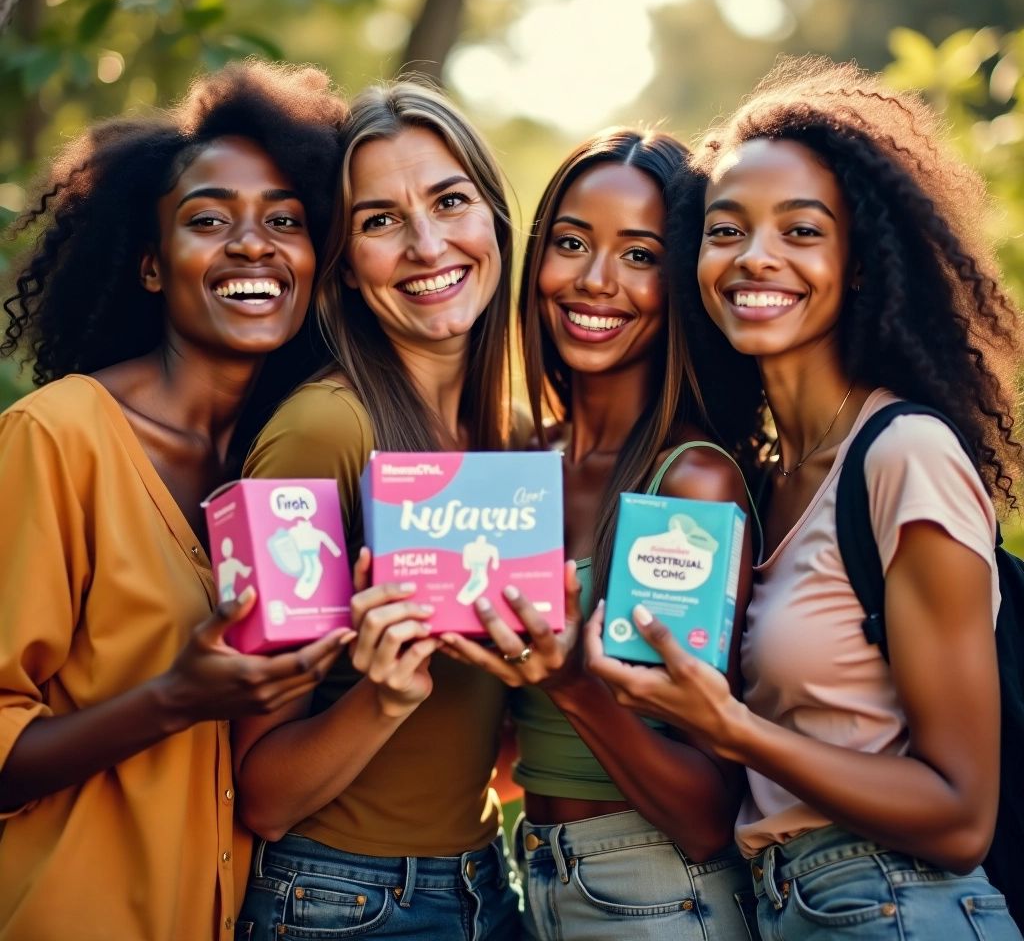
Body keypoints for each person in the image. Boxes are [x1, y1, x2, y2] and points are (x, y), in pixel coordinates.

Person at [586, 58, 1024, 940]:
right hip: (792, 909)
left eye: (802, 231)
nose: (756, 257)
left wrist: (736, 729)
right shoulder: (763, 477)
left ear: (861, 263)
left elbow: (961, 810)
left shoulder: (906, 457)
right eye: (727, 230)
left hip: (906, 908)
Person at [0, 61, 349, 941]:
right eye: (209, 220)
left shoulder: (293, 458)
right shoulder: (58, 436)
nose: (252, 244)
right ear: (152, 267)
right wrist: (176, 697)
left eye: (285, 221)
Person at [441, 129, 764, 940]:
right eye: (572, 243)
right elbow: (517, 757)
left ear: (682, 282)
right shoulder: (517, 466)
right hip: (527, 879)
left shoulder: (690, 482)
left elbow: (704, 813)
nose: (594, 281)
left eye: (640, 255)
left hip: (660, 895)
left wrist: (573, 681)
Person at [232, 80, 521, 940]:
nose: (428, 243)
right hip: (340, 901)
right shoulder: (324, 432)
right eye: (380, 220)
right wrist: (381, 698)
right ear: (346, 268)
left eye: (450, 200)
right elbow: (263, 795)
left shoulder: (507, 438)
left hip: (485, 882)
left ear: (496, 222)